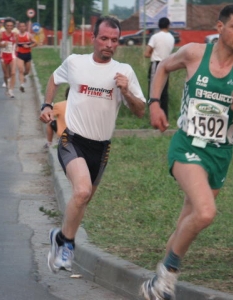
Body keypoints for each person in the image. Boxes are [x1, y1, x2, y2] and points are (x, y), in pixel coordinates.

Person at [141, 5, 233, 300]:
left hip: (221, 154)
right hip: (187, 145)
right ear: (219, 28)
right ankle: (167, 276)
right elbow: (162, 68)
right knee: (206, 212)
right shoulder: (194, 52)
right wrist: (155, 104)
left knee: (189, 220)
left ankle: (157, 285)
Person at [39, 16, 146, 273]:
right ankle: (67, 244)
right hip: (72, 139)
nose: (109, 44)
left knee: (82, 200)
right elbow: (54, 78)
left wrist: (126, 91)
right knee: (82, 191)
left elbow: (140, 111)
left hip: (101, 148)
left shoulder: (125, 72)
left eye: (114, 40)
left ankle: (60, 238)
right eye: (104, 38)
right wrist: (46, 105)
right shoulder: (76, 62)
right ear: (93, 38)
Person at [144, 17, 174, 119]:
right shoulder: (171, 38)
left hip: (156, 65)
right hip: (167, 65)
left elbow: (146, 53)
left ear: (159, 25)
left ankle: (153, 116)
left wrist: (153, 53)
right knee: (164, 92)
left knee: (153, 91)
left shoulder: (155, 37)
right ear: (168, 25)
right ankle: (165, 116)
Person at [0, 18, 18, 98]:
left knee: (13, 72)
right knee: (6, 74)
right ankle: (7, 84)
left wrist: (16, 49)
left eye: (11, 26)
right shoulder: (1, 34)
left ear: (13, 26)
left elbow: (17, 44)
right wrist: (2, 45)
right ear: (5, 26)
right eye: (8, 25)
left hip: (12, 55)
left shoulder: (15, 34)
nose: (9, 27)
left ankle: (11, 90)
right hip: (3, 55)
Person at [16, 21, 37, 92]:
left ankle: (24, 76)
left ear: (25, 27)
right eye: (20, 26)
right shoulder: (17, 35)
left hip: (27, 54)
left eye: (23, 26)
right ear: (18, 27)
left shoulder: (28, 35)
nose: (22, 28)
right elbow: (14, 44)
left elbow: (35, 43)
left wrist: (28, 46)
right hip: (20, 55)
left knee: (27, 71)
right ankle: (22, 85)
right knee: (21, 70)